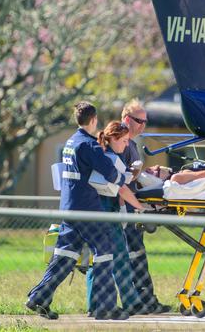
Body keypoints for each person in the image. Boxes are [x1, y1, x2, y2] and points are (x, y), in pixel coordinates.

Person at [26, 102, 129, 320]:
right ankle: (105, 307)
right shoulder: (89, 145)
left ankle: (38, 298)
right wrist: (124, 178)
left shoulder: (70, 142)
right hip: (87, 210)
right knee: (105, 252)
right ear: (93, 120)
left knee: (64, 257)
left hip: (68, 209)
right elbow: (109, 172)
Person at [85, 121, 148, 316]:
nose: (127, 145)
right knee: (120, 257)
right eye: (124, 140)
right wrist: (140, 207)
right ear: (112, 138)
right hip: (106, 213)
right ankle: (131, 302)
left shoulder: (102, 156)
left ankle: (94, 305)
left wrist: (123, 208)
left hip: (99, 211)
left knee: (99, 260)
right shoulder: (110, 159)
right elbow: (121, 188)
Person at [118, 100, 170, 313]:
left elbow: (129, 177)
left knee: (137, 255)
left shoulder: (130, 144)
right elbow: (119, 182)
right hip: (123, 208)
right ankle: (140, 302)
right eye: (140, 121)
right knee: (131, 256)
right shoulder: (120, 143)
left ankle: (145, 301)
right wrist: (134, 207)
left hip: (130, 207)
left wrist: (147, 174)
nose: (143, 126)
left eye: (146, 122)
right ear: (127, 119)